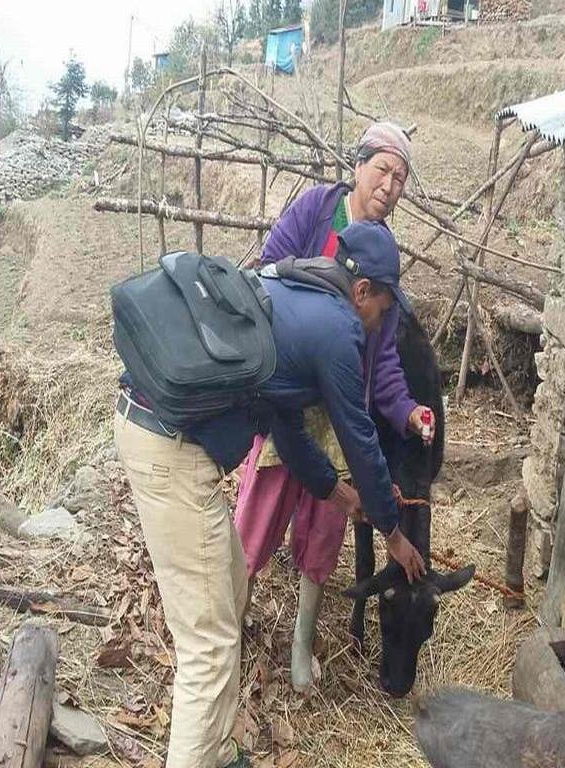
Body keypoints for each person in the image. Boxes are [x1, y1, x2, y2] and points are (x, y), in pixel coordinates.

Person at [113, 219, 425, 768]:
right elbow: (361, 443)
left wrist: (337, 495)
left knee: (231, 587)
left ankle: (214, 751)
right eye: (383, 309)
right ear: (361, 292)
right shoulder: (339, 332)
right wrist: (394, 536)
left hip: (156, 432)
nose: (383, 324)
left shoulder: (289, 287)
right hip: (173, 455)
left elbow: (287, 428)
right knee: (209, 651)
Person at [234, 122, 437, 692]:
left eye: (400, 178)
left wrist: (406, 413)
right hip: (289, 392)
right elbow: (263, 281)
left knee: (324, 532)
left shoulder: (386, 262)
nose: (389, 185)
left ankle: (301, 642)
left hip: (343, 411)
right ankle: (232, 619)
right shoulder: (315, 212)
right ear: (358, 166)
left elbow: (386, 364)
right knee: (260, 515)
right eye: (382, 170)